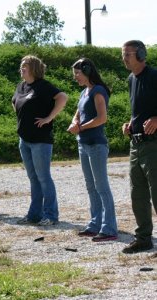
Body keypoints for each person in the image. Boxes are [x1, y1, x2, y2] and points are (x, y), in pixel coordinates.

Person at [12, 55, 67, 226]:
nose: (21, 68)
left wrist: (49, 117)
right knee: (33, 178)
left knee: (43, 177)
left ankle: (51, 215)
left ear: (33, 68)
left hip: (40, 140)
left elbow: (62, 97)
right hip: (24, 139)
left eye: (25, 66)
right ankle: (34, 215)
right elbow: (15, 102)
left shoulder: (43, 86)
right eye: (21, 66)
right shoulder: (21, 86)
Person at [67, 58, 118, 242]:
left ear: (87, 71)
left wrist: (80, 128)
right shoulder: (84, 92)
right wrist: (74, 122)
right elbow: (78, 113)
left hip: (96, 145)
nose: (76, 77)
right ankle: (95, 224)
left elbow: (102, 118)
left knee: (102, 187)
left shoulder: (98, 91)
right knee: (91, 187)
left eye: (78, 74)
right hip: (84, 144)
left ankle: (110, 228)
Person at [121, 40, 157, 254]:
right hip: (136, 144)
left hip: (154, 146)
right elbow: (139, 110)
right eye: (123, 54)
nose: (124, 58)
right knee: (138, 194)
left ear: (141, 54)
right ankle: (143, 238)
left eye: (128, 54)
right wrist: (130, 123)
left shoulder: (154, 77)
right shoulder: (131, 79)